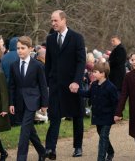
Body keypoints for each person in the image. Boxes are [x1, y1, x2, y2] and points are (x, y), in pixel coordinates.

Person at [45, 10, 86, 159]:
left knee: (77, 116)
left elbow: (81, 62)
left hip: (73, 85)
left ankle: (78, 146)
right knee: (54, 116)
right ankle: (50, 148)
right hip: (56, 85)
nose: (53, 23)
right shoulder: (50, 39)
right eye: (52, 21)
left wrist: (76, 81)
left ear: (64, 20)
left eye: (55, 20)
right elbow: (48, 63)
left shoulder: (77, 38)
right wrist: (46, 83)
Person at [9, 36, 48, 161]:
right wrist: (11, 103)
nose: (20, 51)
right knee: (30, 130)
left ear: (30, 49)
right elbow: (12, 86)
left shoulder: (38, 65)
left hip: (33, 101)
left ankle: (21, 158)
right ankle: (42, 152)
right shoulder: (14, 65)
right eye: (18, 48)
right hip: (19, 102)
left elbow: (43, 86)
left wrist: (44, 104)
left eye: (23, 48)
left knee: (24, 131)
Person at [78, 62, 118, 161]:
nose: (92, 74)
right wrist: (77, 91)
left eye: (95, 72)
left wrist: (117, 114)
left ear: (103, 73)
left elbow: (116, 102)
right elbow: (88, 94)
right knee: (102, 135)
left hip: (107, 117)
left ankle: (101, 158)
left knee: (103, 137)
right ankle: (111, 151)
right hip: (97, 116)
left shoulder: (111, 87)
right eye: (92, 72)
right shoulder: (94, 85)